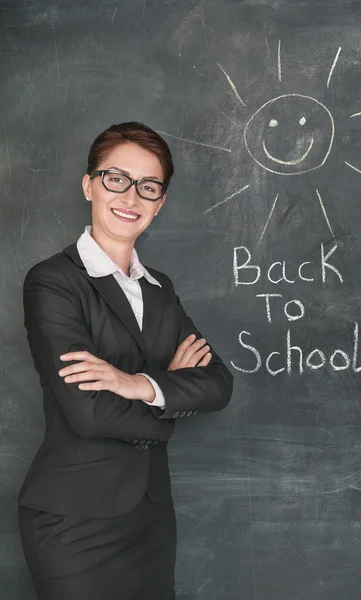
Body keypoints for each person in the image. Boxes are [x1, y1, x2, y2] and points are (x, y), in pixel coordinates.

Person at [17, 121, 234, 600]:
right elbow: (88, 412)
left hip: (151, 520)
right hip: (73, 522)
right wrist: (170, 394)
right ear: (89, 184)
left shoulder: (160, 290)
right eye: (116, 178)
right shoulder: (53, 282)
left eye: (148, 186)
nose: (131, 196)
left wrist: (136, 384)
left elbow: (219, 384)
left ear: (159, 202)